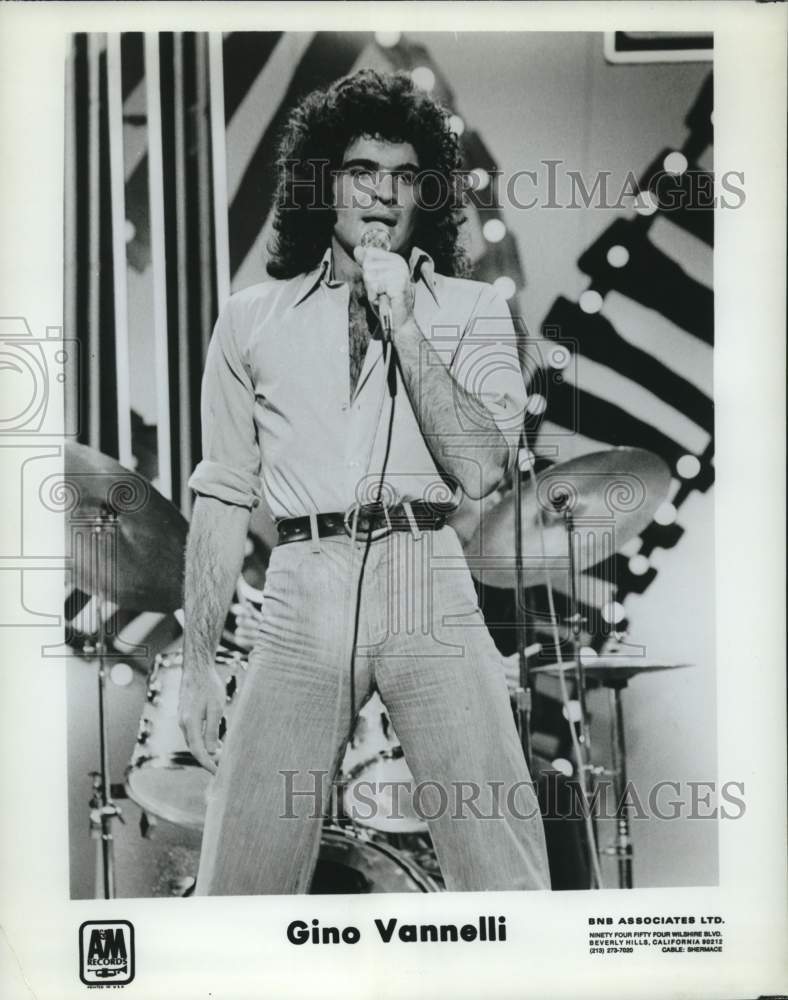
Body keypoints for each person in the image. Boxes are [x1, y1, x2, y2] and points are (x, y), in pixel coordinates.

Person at [178, 68, 550, 894]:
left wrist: (406, 322)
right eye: (360, 172)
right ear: (323, 184)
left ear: (426, 194)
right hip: (303, 584)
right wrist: (200, 662)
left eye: (402, 176)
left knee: (507, 873)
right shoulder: (249, 319)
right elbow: (221, 496)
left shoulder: (471, 309)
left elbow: (484, 468)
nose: (381, 195)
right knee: (237, 882)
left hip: (426, 577)